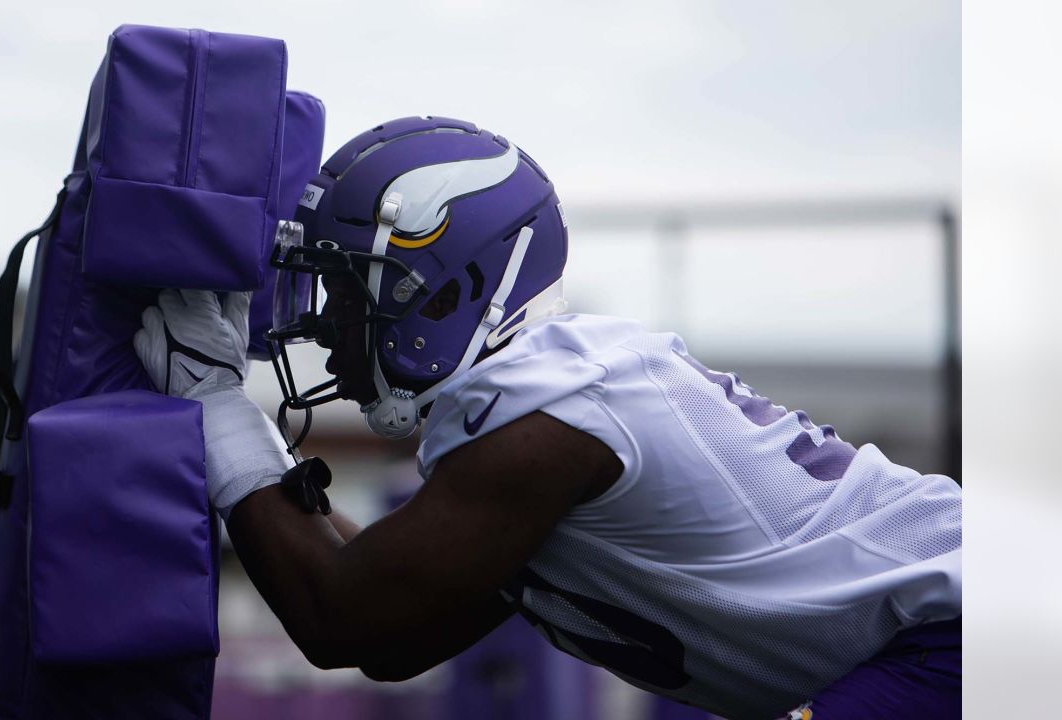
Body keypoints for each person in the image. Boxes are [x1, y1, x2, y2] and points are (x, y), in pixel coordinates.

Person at [133, 116, 961, 720]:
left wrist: (215, 408)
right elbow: (392, 635)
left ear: (447, 291)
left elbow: (344, 616)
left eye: (346, 293)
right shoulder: (558, 395)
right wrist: (245, 433)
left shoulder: (541, 414)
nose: (325, 326)